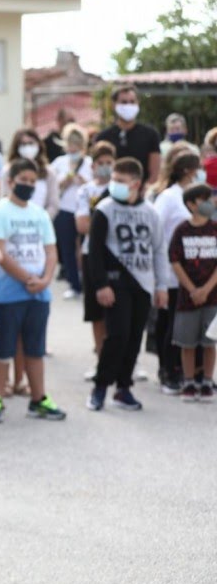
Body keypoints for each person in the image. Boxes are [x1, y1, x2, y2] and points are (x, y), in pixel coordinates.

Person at [0, 159, 65, 422]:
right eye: (23, 180)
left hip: (39, 293)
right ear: (10, 182)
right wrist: (27, 277)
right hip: (9, 292)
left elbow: (51, 250)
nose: (28, 185)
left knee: (35, 347)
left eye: (33, 181)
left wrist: (45, 279)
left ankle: (38, 399)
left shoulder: (39, 213)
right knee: (4, 346)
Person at [85, 157, 168, 411]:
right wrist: (100, 285)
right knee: (117, 334)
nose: (115, 185)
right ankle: (100, 386)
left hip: (142, 283)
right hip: (115, 281)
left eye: (121, 181)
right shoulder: (105, 209)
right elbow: (95, 251)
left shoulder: (151, 212)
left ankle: (124, 388)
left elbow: (158, 250)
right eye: (113, 179)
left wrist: (161, 285)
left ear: (136, 183)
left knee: (134, 337)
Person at [152, 151, 205, 393]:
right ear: (187, 170)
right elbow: (157, 229)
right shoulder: (169, 197)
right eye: (198, 168)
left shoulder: (199, 197)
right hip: (173, 273)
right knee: (171, 325)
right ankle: (168, 371)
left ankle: (193, 372)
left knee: (194, 327)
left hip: (198, 274)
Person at [168, 184, 217, 402]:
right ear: (191, 204)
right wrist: (193, 289)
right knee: (187, 342)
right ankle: (188, 381)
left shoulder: (215, 228)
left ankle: (206, 381)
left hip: (212, 296)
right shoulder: (182, 230)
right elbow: (175, 261)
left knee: (210, 342)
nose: (210, 203)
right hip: (187, 298)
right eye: (204, 199)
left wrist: (206, 289)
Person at [76, 142, 117, 376]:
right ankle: (102, 362)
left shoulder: (123, 189)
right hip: (93, 254)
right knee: (97, 313)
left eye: (109, 163)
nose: (104, 168)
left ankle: (125, 362)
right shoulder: (86, 191)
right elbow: (82, 225)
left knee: (122, 314)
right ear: (92, 166)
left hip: (119, 257)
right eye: (100, 163)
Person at [50, 124, 93, 299]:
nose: (73, 147)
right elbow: (51, 185)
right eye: (70, 143)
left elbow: (95, 184)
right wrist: (65, 181)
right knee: (67, 248)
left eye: (76, 143)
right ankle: (74, 284)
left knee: (86, 248)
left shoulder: (89, 163)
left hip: (84, 211)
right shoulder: (59, 162)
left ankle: (88, 283)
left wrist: (82, 180)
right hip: (65, 209)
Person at [95, 85, 161, 184]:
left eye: (132, 102)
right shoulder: (103, 137)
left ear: (138, 103)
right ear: (114, 105)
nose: (128, 105)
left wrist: (142, 193)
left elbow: (155, 173)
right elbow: (98, 169)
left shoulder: (150, 134)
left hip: (141, 193)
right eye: (124, 102)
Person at [0, 129, 60, 215]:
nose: (27, 147)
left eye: (31, 143)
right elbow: (5, 198)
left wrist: (41, 220)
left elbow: (53, 204)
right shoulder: (8, 171)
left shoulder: (49, 172)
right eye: (23, 144)